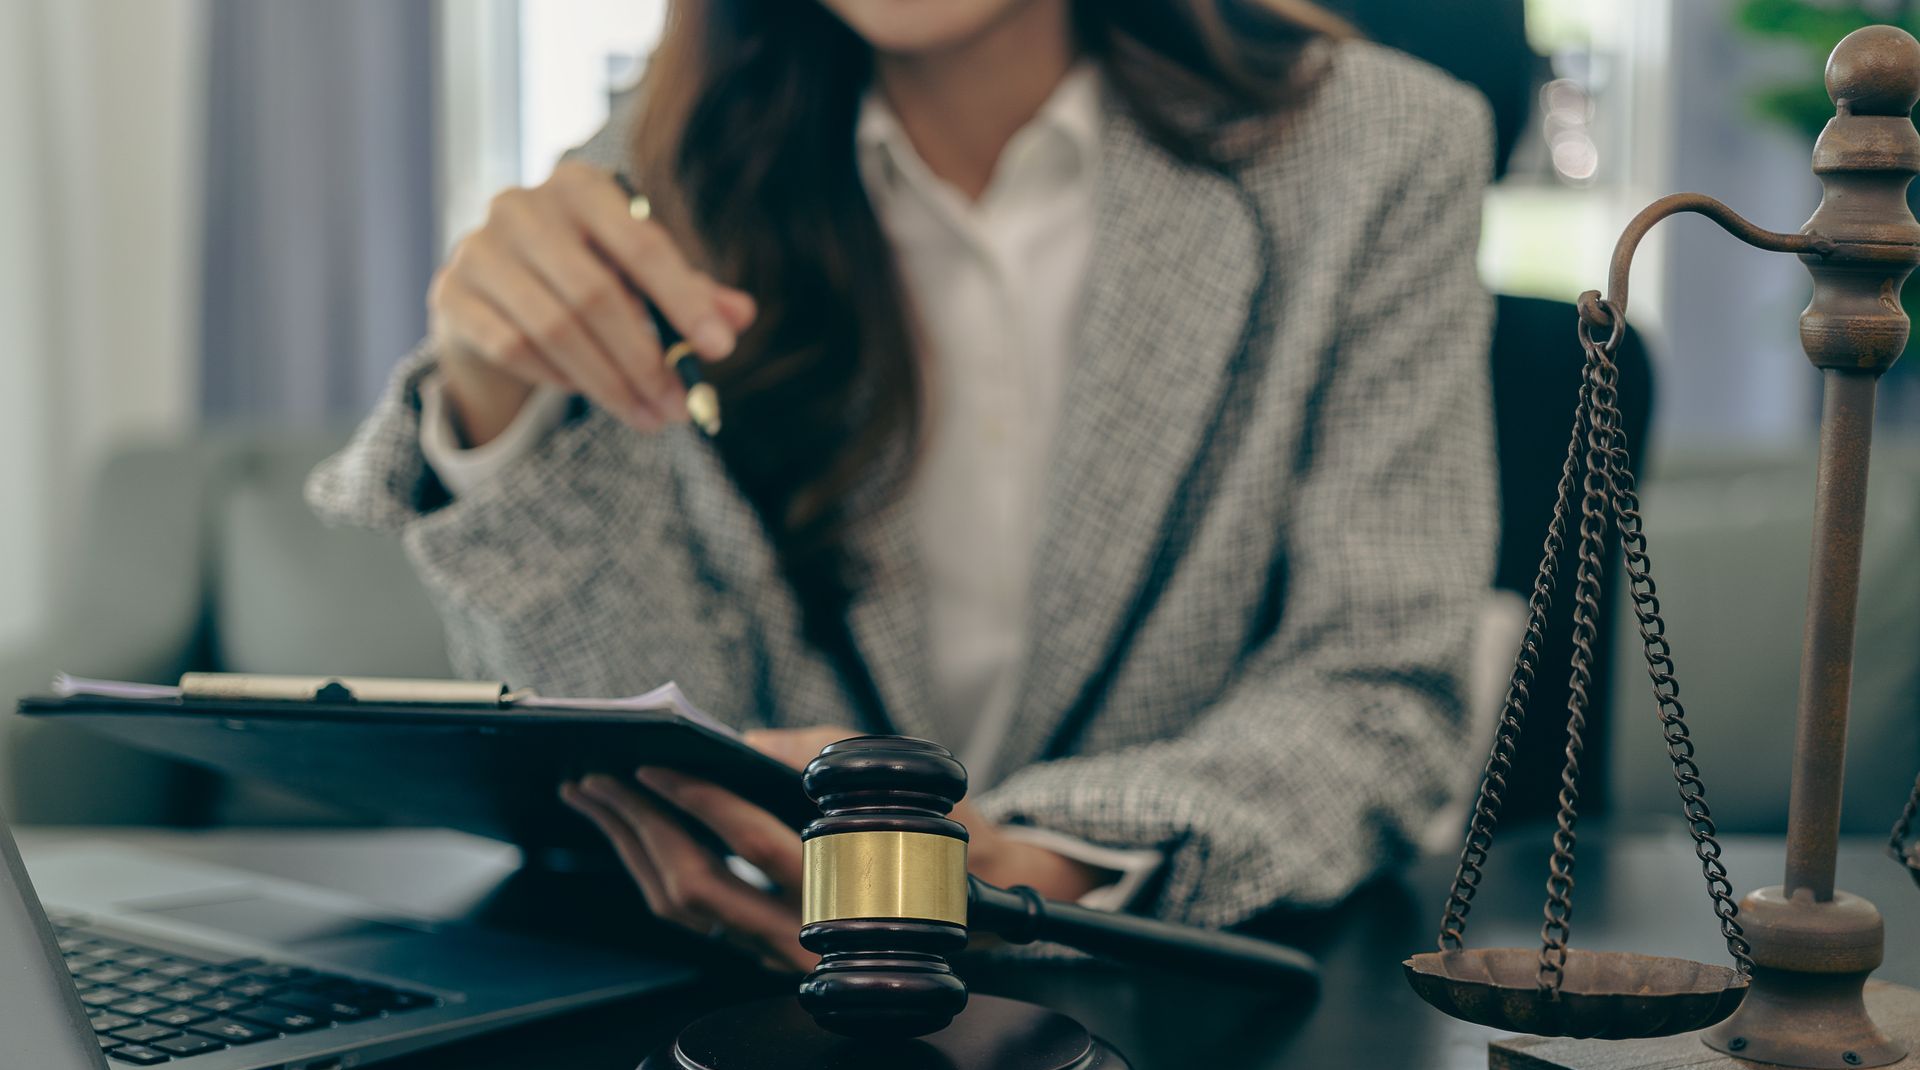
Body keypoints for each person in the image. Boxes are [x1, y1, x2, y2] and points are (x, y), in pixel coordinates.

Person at [309, 0, 1496, 971]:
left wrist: (1051, 861)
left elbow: (1380, 689)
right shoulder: (645, 183)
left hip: (1202, 1036)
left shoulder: (1377, 148)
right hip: (741, 1025)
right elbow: (642, 732)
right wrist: (495, 404)